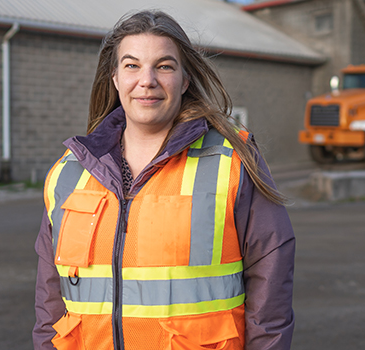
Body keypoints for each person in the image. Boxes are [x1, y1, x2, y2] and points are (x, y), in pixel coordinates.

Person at [32, 10, 296, 350]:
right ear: (114, 78)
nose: (147, 80)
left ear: (185, 79)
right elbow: (49, 306)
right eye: (131, 65)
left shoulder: (232, 162)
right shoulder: (67, 173)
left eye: (164, 66)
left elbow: (270, 294)